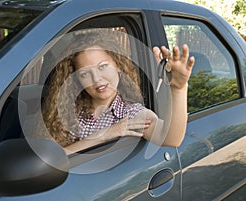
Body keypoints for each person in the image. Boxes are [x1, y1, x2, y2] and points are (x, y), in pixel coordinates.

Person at [41, 29, 194, 155]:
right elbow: (51, 159)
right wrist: (104, 135)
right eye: (84, 74)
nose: (97, 79)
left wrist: (178, 88)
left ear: (118, 65)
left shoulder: (131, 115)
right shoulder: (68, 110)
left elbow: (169, 137)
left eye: (102, 67)